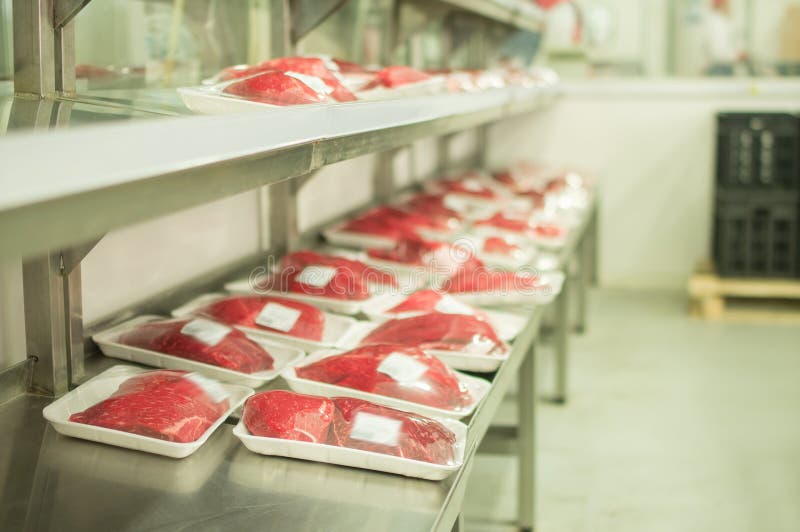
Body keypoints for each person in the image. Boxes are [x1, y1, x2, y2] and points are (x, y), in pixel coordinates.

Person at [705, 0, 746, 76]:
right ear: (721, 5)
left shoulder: (724, 21)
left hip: (724, 66)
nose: (730, 7)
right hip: (720, 68)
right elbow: (719, 51)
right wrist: (736, 55)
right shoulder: (716, 23)